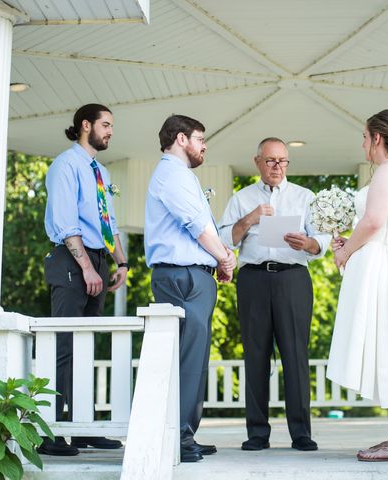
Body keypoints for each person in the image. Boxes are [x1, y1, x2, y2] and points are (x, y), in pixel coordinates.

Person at [218, 137, 330, 452]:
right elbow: (226, 238)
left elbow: (320, 241)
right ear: (257, 162)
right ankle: (257, 433)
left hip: (293, 278)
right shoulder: (241, 199)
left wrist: (306, 244)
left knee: (296, 355)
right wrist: (250, 218)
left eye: (282, 161)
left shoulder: (305, 197)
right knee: (255, 355)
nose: (277, 166)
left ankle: (301, 433)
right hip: (253, 279)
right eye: (270, 160)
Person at [326, 109, 388, 462]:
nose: (363, 144)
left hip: (384, 269)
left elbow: (375, 221)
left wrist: (346, 252)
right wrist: (349, 242)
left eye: (364, 137)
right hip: (381, 263)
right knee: (387, 346)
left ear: (377, 139)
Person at [144, 114, 236, 463]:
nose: (204, 145)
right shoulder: (172, 174)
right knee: (186, 357)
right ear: (181, 139)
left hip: (193, 275)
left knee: (194, 357)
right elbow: (198, 226)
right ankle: (178, 435)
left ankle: (185, 433)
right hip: (181, 275)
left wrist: (215, 262)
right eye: (200, 138)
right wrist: (224, 258)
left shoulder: (182, 176)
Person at [42, 104, 128, 456]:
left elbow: (108, 221)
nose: (109, 131)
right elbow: (66, 223)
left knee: (85, 347)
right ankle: (48, 432)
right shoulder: (66, 165)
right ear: (85, 125)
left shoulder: (101, 173)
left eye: (111, 126)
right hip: (71, 260)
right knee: (63, 347)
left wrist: (121, 262)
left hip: (99, 259)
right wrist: (86, 268)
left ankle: (80, 430)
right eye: (105, 125)